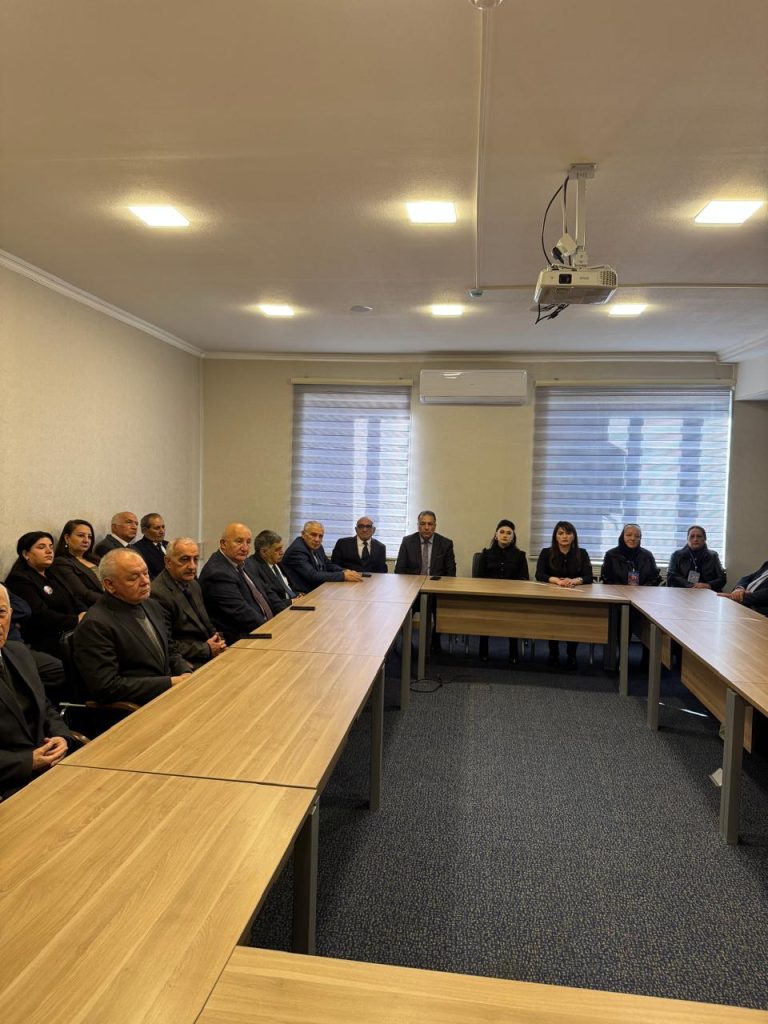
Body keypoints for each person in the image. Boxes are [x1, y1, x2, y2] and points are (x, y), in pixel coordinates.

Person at [73, 549, 191, 704]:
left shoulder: (151, 605)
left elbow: (170, 650)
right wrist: (169, 682)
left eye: (145, 573)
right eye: (134, 577)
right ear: (110, 585)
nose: (145, 581)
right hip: (136, 706)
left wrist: (186, 673)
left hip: (167, 694)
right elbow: (106, 687)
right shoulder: (95, 625)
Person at [0, 584, 75, 800]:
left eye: (1, 613)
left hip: (53, 764)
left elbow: (46, 707)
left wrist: (62, 737)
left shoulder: (18, 651)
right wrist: (28, 761)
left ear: (10, 615)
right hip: (10, 785)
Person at [5, 531, 85, 659]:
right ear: (26, 554)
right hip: (48, 639)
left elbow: (73, 597)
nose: (49, 551)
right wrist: (75, 620)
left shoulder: (52, 572)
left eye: (51, 547)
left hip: (72, 631)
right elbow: (40, 615)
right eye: (41, 547)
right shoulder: (19, 579)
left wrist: (84, 613)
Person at [151, 537, 227, 667]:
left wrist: (219, 641)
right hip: (188, 662)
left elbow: (206, 623)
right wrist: (207, 649)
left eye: (195, 559)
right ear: (168, 562)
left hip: (210, 652)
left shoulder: (193, 584)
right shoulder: (157, 594)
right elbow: (166, 644)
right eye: (184, 559)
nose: (192, 566)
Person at [199, 523, 275, 644]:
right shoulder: (218, 573)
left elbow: (265, 592)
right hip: (239, 639)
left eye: (248, 542)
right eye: (239, 541)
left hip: (261, 630)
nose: (245, 548)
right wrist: (272, 629)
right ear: (223, 544)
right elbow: (242, 613)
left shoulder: (243, 563)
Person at [535, 521, 593, 668]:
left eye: (568, 533)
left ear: (574, 536)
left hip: (575, 596)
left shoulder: (582, 553)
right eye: (561, 533)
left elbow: (588, 577)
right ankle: (553, 653)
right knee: (553, 622)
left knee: (573, 624)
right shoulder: (546, 553)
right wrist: (557, 581)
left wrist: (573, 580)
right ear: (555, 536)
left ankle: (571, 654)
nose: (565, 536)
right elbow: (539, 575)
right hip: (552, 596)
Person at [475, 519, 529, 663]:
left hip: (512, 598)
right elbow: (478, 578)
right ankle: (483, 651)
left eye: (509, 533)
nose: (505, 535)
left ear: (513, 537)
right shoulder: (486, 554)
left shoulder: (520, 555)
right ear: (496, 535)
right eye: (502, 532)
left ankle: (513, 653)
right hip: (489, 597)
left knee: (513, 620)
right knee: (486, 618)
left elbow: (524, 578)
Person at [282, 521, 362, 593]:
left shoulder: (317, 546)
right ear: (303, 534)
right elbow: (313, 576)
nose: (317, 539)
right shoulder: (298, 550)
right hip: (302, 594)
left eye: (320, 536)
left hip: (318, 589)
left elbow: (328, 565)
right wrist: (343, 576)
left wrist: (345, 571)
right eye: (313, 535)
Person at [51, 518, 103, 607]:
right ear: (67, 538)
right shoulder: (62, 562)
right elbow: (83, 594)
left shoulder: (96, 559)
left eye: (89, 537)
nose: (86, 540)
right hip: (97, 606)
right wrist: (113, 601)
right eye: (81, 535)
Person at [246, 530, 297, 614]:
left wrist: (298, 595)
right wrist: (291, 602)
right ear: (263, 552)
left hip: (295, 603)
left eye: (281, 548)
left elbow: (290, 586)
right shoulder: (253, 567)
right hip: (281, 611)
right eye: (277, 549)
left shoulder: (277, 562)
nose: (282, 552)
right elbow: (268, 600)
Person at [394, 510, 456, 577]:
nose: (426, 528)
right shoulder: (407, 542)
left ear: (435, 526)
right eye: (422, 524)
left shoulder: (446, 544)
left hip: (436, 582)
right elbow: (399, 570)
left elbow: (451, 573)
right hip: (412, 581)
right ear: (418, 526)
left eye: (430, 524)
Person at [666, 525, 726, 591]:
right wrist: (692, 586)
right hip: (683, 591)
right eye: (692, 536)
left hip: (706, 592)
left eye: (699, 536)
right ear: (687, 539)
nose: (695, 539)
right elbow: (671, 576)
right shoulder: (677, 555)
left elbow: (722, 579)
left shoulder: (713, 556)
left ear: (704, 539)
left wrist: (708, 585)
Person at [131, 513, 168, 580]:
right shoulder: (137, 549)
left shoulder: (170, 545)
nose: (162, 531)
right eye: (157, 528)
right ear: (144, 530)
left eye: (163, 527)